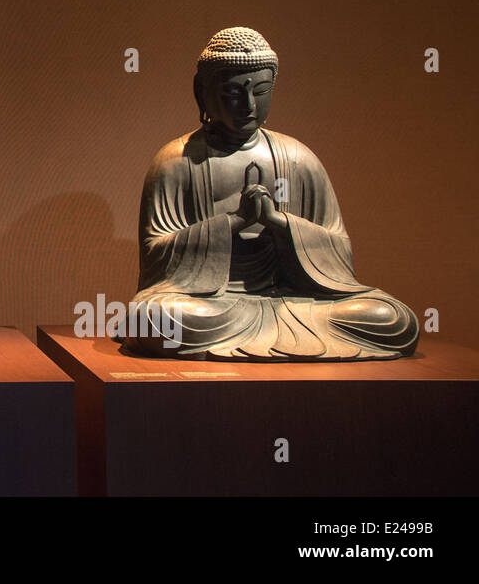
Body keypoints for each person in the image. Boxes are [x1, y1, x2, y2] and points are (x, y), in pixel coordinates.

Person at [125, 27, 418, 361]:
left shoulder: (299, 159)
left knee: (391, 317)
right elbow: (155, 256)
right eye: (233, 93)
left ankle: (270, 338)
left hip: (296, 302)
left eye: (261, 91)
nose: (248, 105)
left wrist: (279, 222)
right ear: (202, 93)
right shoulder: (176, 162)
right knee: (155, 320)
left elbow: (339, 252)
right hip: (210, 305)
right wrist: (233, 222)